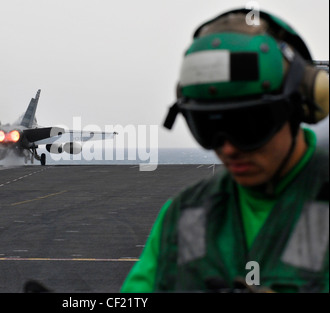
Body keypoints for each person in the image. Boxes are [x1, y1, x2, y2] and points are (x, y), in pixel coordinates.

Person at [121, 8, 329, 293]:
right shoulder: (186, 215)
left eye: (249, 125)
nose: (228, 149)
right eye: (208, 128)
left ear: (298, 108)